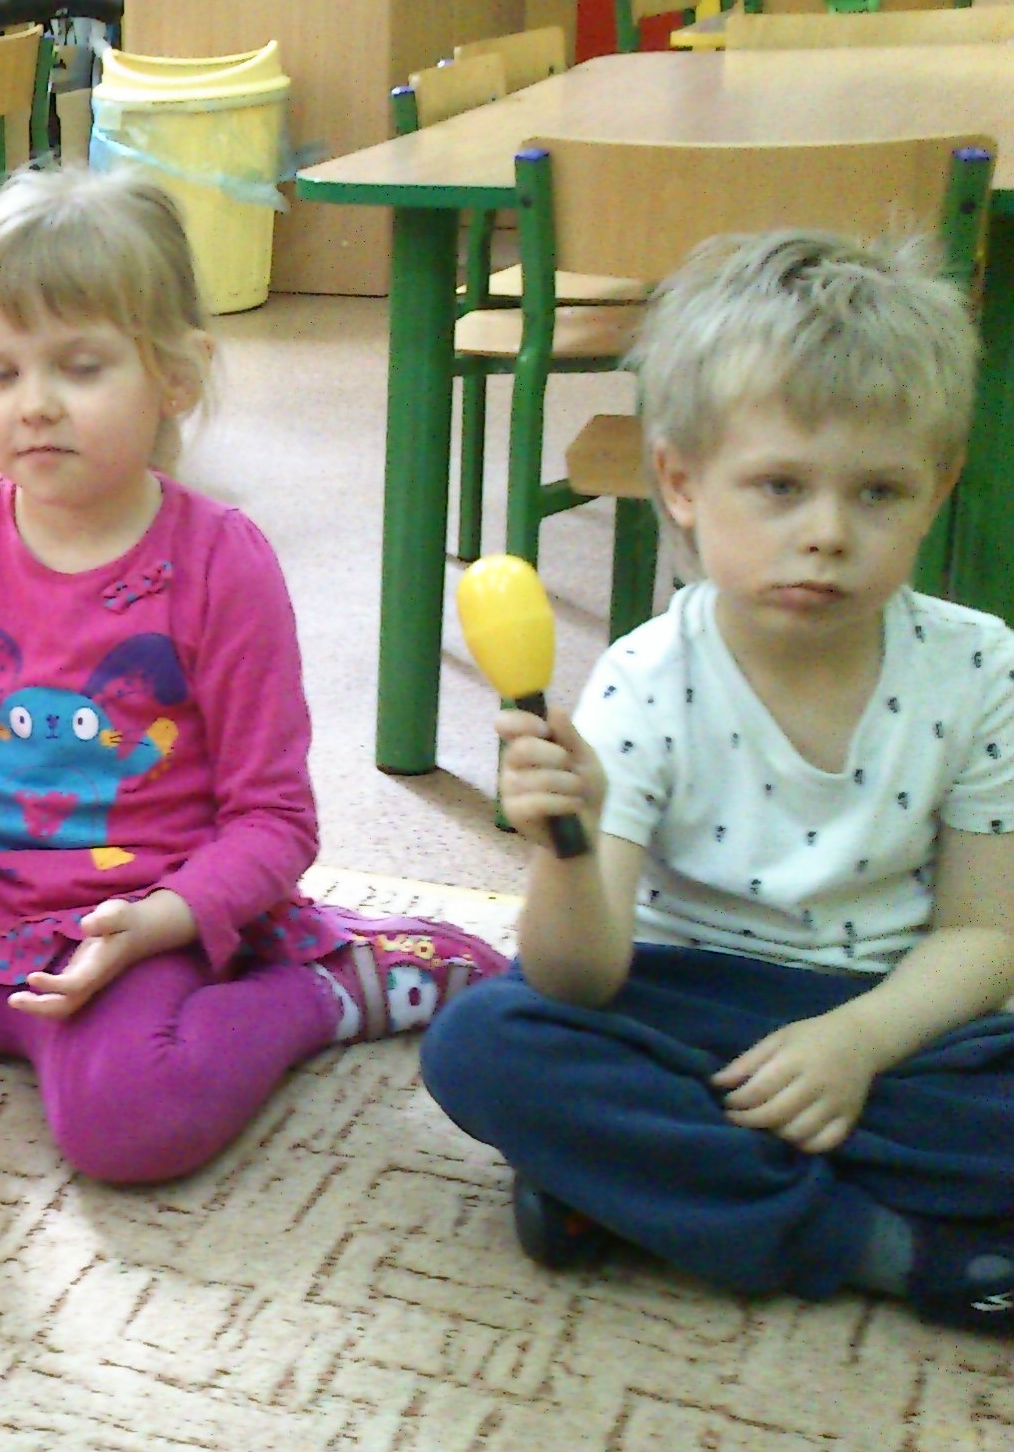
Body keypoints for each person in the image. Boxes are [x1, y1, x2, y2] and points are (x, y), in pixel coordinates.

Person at [0, 168, 502, 1181]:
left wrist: (164, 922)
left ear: (176, 376)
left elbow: (274, 822)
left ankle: (327, 984)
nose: (34, 404)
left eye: (80, 367)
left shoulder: (221, 562)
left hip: (137, 922)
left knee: (133, 1122)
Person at [420, 231, 1014, 1329]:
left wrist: (854, 1044)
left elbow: (985, 938)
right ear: (682, 483)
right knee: (483, 1047)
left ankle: (643, 1188)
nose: (827, 534)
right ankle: (883, 1244)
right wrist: (567, 845)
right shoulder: (644, 682)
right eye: (780, 485)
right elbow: (578, 979)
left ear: (937, 492)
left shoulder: (981, 669)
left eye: (879, 491)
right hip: (676, 1005)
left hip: (887, 1017)